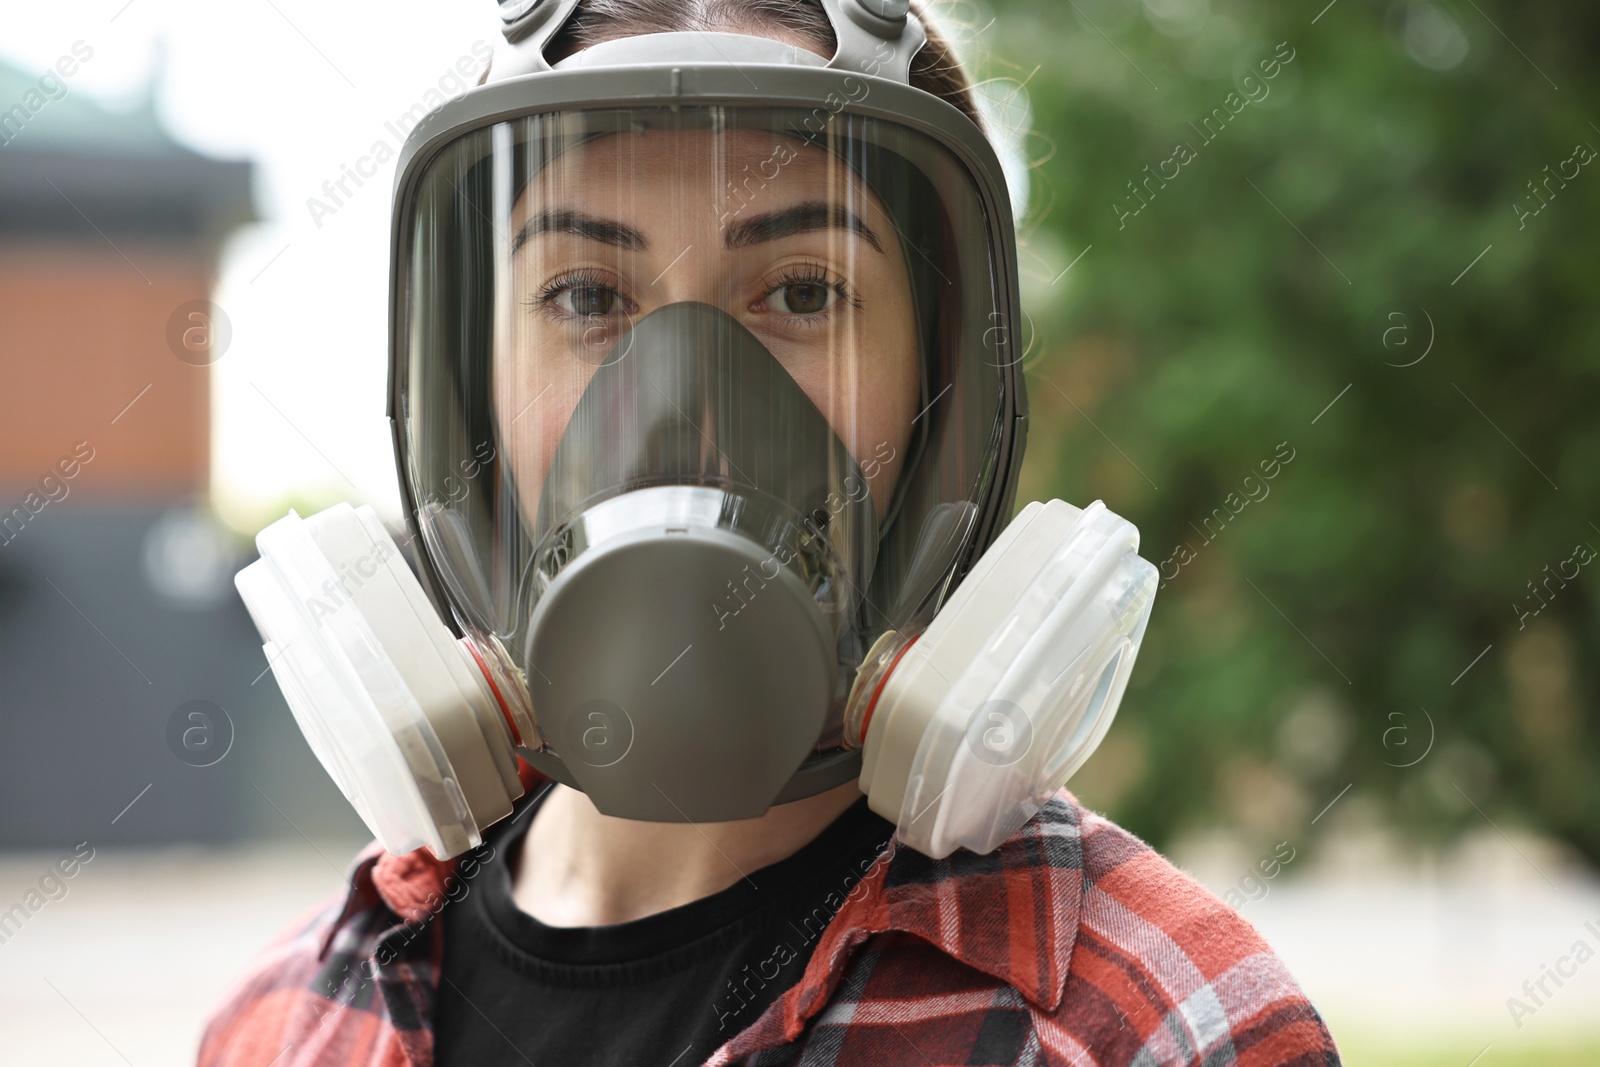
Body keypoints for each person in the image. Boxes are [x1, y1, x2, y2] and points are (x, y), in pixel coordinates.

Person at [202, 1, 1344, 1064]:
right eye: (585, 297)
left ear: (946, 387)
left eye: (802, 292)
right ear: (469, 391)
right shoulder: (284, 1022)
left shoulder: (1165, 1024)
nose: (682, 410)